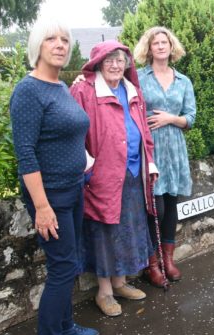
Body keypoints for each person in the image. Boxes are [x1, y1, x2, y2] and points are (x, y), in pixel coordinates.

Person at [10, 18, 98, 335]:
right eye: (51, 39)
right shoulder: (28, 91)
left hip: (73, 187)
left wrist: (84, 161)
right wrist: (42, 207)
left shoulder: (60, 86)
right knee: (62, 268)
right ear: (37, 46)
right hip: (51, 197)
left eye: (65, 39)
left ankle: (64, 325)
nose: (60, 44)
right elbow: (26, 155)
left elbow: (69, 133)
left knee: (71, 259)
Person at [70, 40, 158, 317]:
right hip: (102, 176)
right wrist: (89, 167)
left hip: (132, 172)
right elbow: (73, 133)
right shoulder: (83, 90)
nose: (115, 65)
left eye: (120, 60)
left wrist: (150, 161)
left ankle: (120, 283)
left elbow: (143, 131)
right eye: (109, 60)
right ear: (97, 63)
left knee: (127, 228)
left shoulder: (131, 91)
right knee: (104, 232)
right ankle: (104, 291)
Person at [134, 27, 196, 285]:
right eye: (155, 43)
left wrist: (172, 118)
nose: (160, 46)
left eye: (164, 42)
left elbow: (191, 117)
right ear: (148, 49)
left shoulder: (183, 81)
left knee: (171, 206)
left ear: (172, 47)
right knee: (154, 208)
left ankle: (168, 260)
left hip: (175, 150)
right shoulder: (138, 78)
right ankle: (152, 264)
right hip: (151, 149)